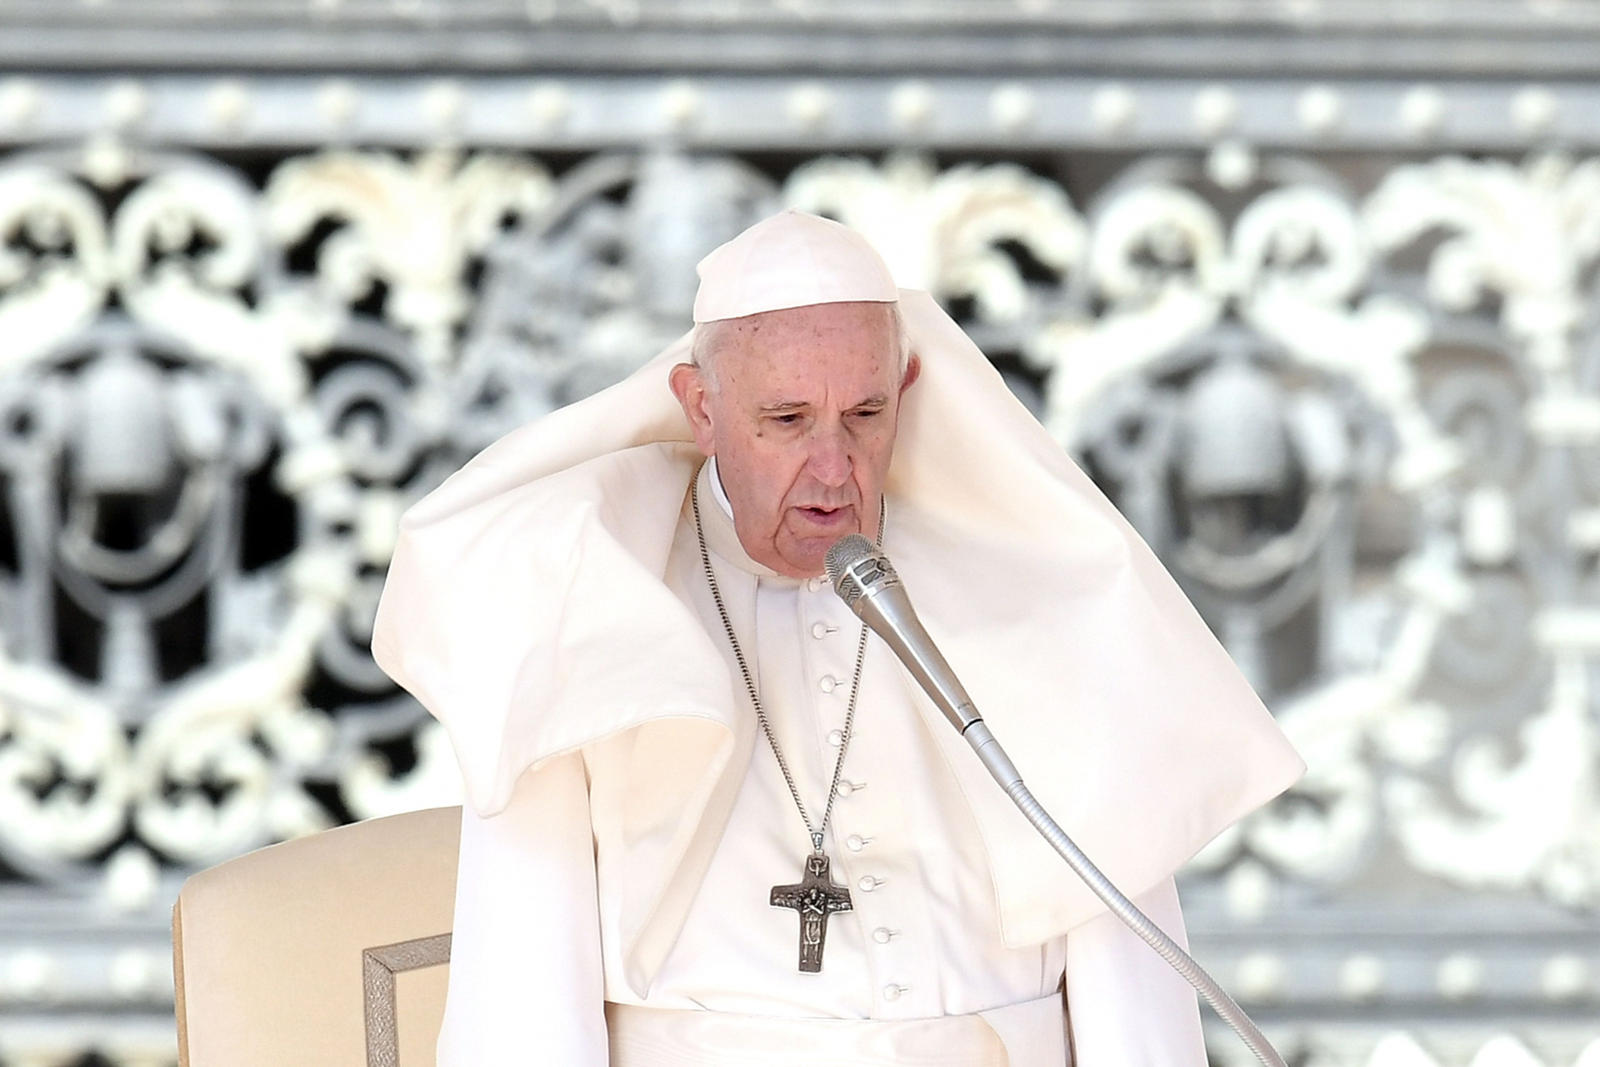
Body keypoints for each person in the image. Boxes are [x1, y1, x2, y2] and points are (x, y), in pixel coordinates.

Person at [370, 210, 1306, 1066]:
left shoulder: (1036, 594)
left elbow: (1130, 989)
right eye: (785, 421)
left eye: (865, 415)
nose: (834, 469)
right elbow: (522, 996)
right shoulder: (574, 598)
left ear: (905, 385)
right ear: (701, 408)